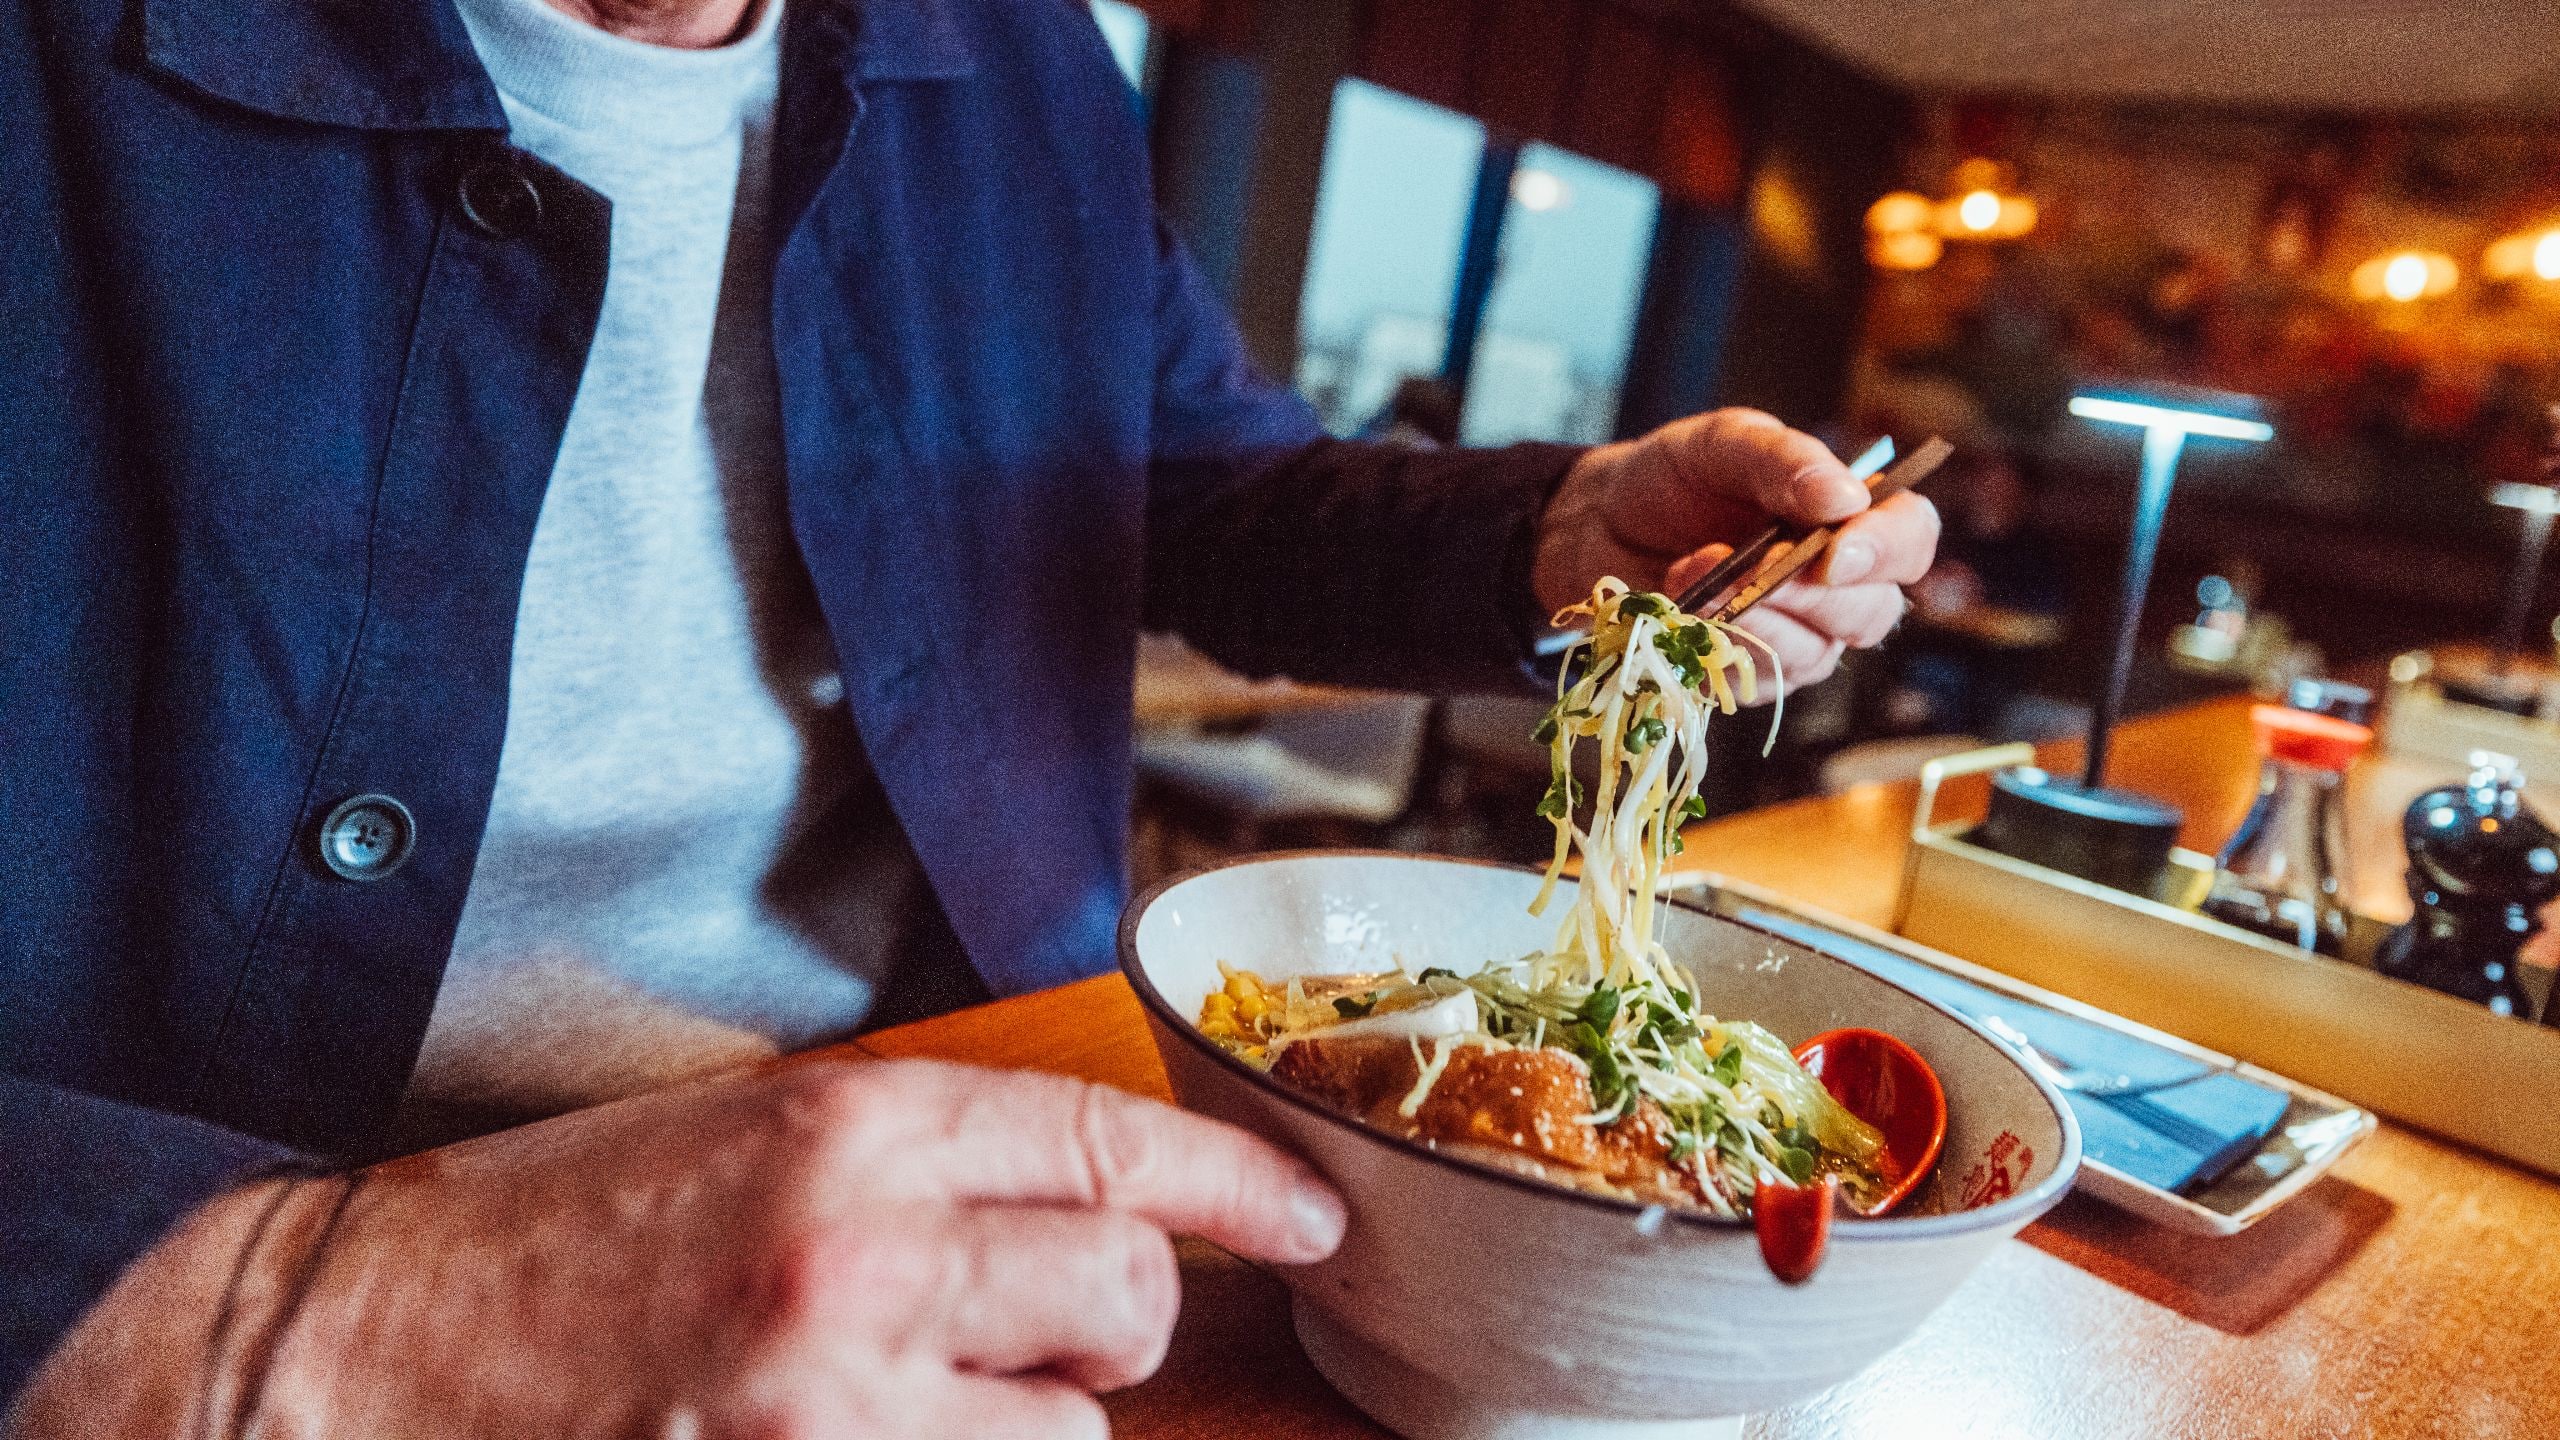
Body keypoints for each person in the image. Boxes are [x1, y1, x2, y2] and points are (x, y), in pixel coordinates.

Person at [0, 0, 1940, 1430]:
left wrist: (1553, 538)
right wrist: (280, 1313)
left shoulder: (1006, 64)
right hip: (201, 1225)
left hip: (942, 1150)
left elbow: (1188, 486)